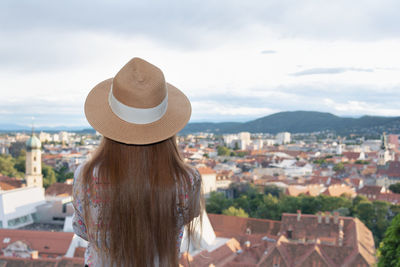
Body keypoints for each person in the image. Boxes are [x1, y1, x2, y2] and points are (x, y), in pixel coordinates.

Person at [72, 57, 203, 267]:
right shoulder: (188, 180)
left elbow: (82, 230)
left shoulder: (85, 176)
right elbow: (184, 219)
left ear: (109, 123)